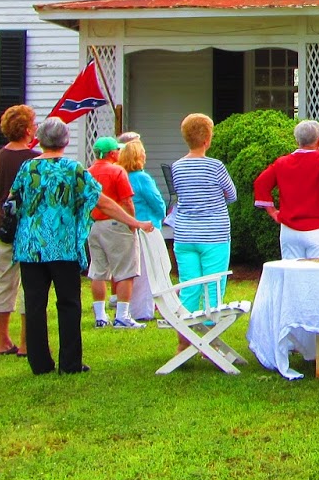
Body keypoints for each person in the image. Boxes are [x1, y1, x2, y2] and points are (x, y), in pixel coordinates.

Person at [10, 116, 153, 375]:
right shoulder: (72, 169)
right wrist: (135, 222)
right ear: (65, 141)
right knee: (68, 303)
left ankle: (40, 363)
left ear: (40, 141)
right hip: (63, 246)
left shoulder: (27, 168)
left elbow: (13, 201)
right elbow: (104, 202)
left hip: (31, 246)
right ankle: (70, 362)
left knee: (34, 305)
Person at [167, 113, 239, 328]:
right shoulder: (215, 167)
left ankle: (184, 340)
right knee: (214, 287)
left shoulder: (177, 167)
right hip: (214, 235)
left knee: (189, 286)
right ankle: (211, 340)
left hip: (185, 235)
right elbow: (232, 195)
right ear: (207, 140)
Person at [0, 105, 40, 356]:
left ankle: (3, 340)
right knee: (28, 284)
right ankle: (25, 343)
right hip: (28, 228)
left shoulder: (1, 155)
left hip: (4, 226)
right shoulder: (34, 158)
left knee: (3, 281)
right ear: (28, 129)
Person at [253, 119, 319, 259]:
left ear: (297, 140)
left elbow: (260, 183)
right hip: (318, 228)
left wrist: (272, 212)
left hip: (289, 230)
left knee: (292, 275)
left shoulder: (281, 162)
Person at [87, 136, 143, 329]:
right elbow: (127, 201)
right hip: (116, 225)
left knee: (98, 271)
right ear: (112, 153)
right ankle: (122, 315)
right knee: (125, 271)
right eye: (117, 151)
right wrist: (132, 223)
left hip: (94, 225)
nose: (119, 153)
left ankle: (100, 316)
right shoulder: (117, 171)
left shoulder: (88, 172)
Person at [119, 136, 167, 321]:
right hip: (146, 228)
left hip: (127, 228)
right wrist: (162, 213)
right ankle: (143, 311)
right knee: (148, 272)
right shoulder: (142, 178)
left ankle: (131, 308)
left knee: (133, 272)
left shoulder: (122, 176)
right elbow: (157, 202)